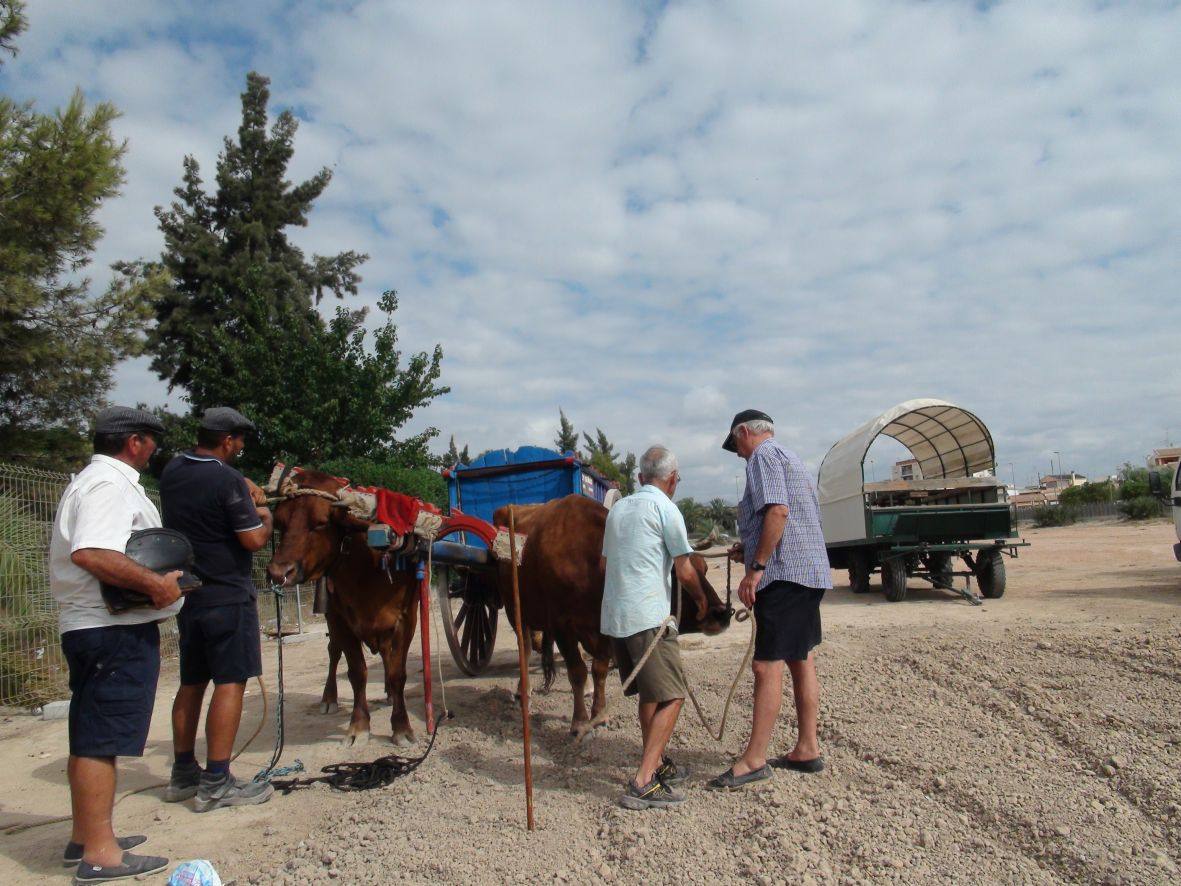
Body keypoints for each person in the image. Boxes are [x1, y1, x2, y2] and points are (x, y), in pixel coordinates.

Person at [49, 406, 183, 882]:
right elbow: (92, 552)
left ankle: (86, 837)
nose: (154, 451)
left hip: (95, 627)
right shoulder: (107, 484)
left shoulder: (93, 480)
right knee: (101, 739)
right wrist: (156, 585)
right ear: (136, 442)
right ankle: (101, 855)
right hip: (110, 630)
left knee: (90, 732)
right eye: (153, 442)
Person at [709, 410, 833, 790]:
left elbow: (778, 511)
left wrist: (756, 567)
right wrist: (748, 548)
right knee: (801, 657)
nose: (739, 454)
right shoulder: (789, 457)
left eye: (737, 445)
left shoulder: (762, 458)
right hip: (808, 572)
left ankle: (754, 759)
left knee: (766, 667)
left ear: (745, 432)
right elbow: (787, 519)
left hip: (783, 575)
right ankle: (807, 747)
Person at [159, 407, 274, 812]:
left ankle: (183, 773)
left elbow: (206, 485)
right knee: (231, 682)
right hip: (228, 595)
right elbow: (253, 541)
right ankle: (217, 781)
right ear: (227, 440)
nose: (240, 448)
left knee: (191, 682)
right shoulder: (226, 479)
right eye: (239, 442)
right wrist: (265, 516)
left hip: (190, 595)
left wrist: (239, 483)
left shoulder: (173, 470)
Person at [601, 445, 707, 810]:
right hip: (649, 618)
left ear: (640, 477)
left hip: (616, 619)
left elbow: (604, 567)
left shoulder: (617, 510)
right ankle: (644, 779)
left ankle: (658, 763)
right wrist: (702, 601)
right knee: (674, 694)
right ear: (673, 478)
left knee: (650, 694)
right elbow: (685, 569)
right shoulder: (666, 508)